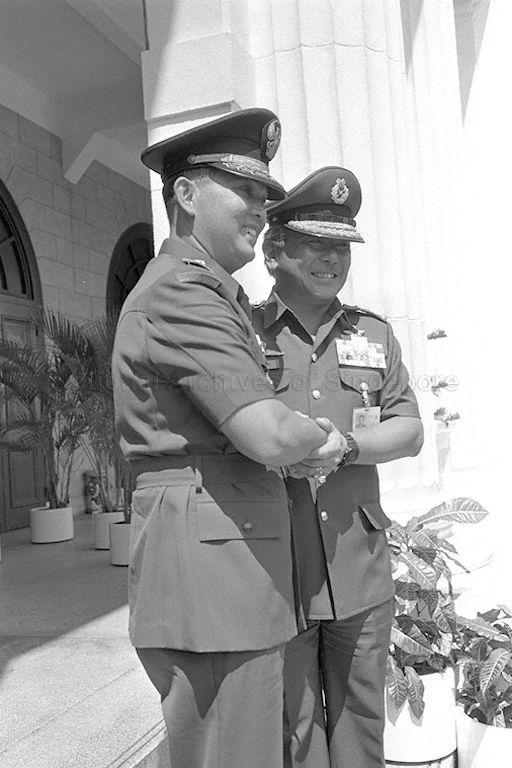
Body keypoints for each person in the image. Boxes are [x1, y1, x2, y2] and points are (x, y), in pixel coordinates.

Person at [111, 111, 346, 768]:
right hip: (213, 571)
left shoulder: (211, 292)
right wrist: (320, 437)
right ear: (186, 196)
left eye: (265, 196)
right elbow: (268, 433)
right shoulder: (184, 293)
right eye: (243, 190)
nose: (261, 209)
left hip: (231, 561)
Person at [254, 166, 424, 768]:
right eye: (315, 243)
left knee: (359, 728)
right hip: (279, 568)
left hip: (360, 566)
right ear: (276, 250)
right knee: (293, 731)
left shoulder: (373, 335)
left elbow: (409, 429)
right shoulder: (243, 333)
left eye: (341, 246)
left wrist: (347, 448)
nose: (332, 259)